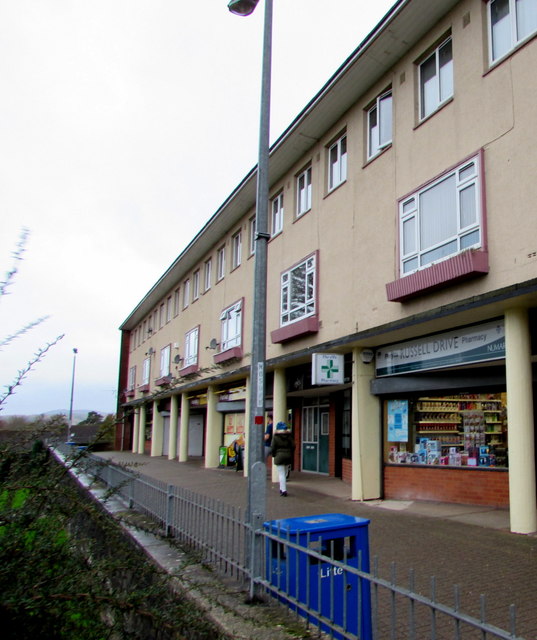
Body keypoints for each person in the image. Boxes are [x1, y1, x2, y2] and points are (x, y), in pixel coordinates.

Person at [271, 422, 294, 497]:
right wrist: (290, 452)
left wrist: (274, 455)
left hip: (279, 456)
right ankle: (282, 488)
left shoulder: (275, 437)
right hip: (288, 456)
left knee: (281, 474)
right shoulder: (289, 436)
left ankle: (283, 490)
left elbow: (273, 447)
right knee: (284, 474)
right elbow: (293, 445)